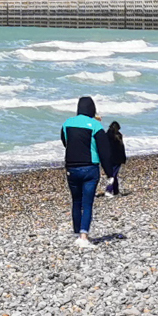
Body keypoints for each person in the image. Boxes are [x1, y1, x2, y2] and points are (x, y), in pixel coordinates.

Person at [62, 95, 107, 246]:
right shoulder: (96, 125)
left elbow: (65, 142)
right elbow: (104, 150)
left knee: (76, 200)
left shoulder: (67, 123)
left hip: (71, 167)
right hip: (90, 168)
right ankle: (83, 236)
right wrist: (108, 171)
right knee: (87, 203)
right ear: (92, 109)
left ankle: (76, 232)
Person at [101, 120, 128, 196]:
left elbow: (103, 147)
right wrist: (124, 158)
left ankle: (116, 191)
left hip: (108, 158)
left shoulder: (106, 135)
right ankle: (108, 190)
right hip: (117, 158)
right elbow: (121, 148)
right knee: (113, 175)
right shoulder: (119, 136)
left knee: (112, 174)